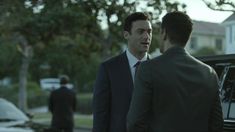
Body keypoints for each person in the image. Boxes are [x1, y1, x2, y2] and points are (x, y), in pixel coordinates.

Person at [127, 11, 223, 132]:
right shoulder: (210, 74)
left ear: (165, 33)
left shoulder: (148, 69)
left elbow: (135, 123)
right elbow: (217, 124)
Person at [92, 12, 152, 132]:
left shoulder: (159, 68)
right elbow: (100, 116)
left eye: (149, 31)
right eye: (140, 31)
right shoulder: (108, 69)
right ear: (126, 35)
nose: (146, 36)